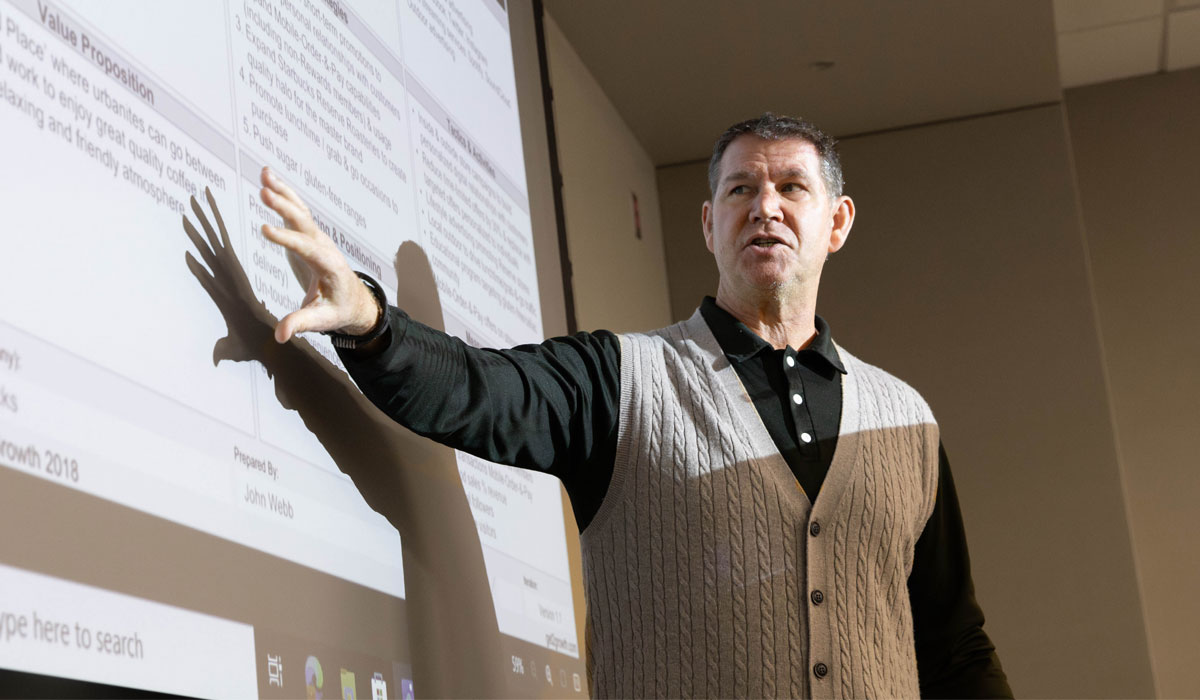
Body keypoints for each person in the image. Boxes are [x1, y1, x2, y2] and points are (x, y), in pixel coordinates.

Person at [257, 113, 1012, 699]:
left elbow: (953, 645)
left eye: (791, 188)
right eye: (740, 189)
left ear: (837, 222)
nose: (765, 207)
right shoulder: (621, 378)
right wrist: (370, 320)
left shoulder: (905, 419)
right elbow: (480, 391)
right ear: (710, 223)